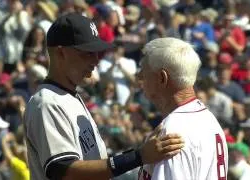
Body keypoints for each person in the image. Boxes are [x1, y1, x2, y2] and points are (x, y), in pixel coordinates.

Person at [23, 13, 185, 180]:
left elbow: (96, 164)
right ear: (61, 53)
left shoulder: (70, 97)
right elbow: (64, 171)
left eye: (96, 53)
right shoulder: (47, 103)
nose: (95, 60)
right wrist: (138, 156)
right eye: (87, 53)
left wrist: (141, 151)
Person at [137, 38, 228, 179]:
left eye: (144, 72)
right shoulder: (209, 120)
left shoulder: (172, 133)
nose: (139, 77)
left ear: (162, 78)